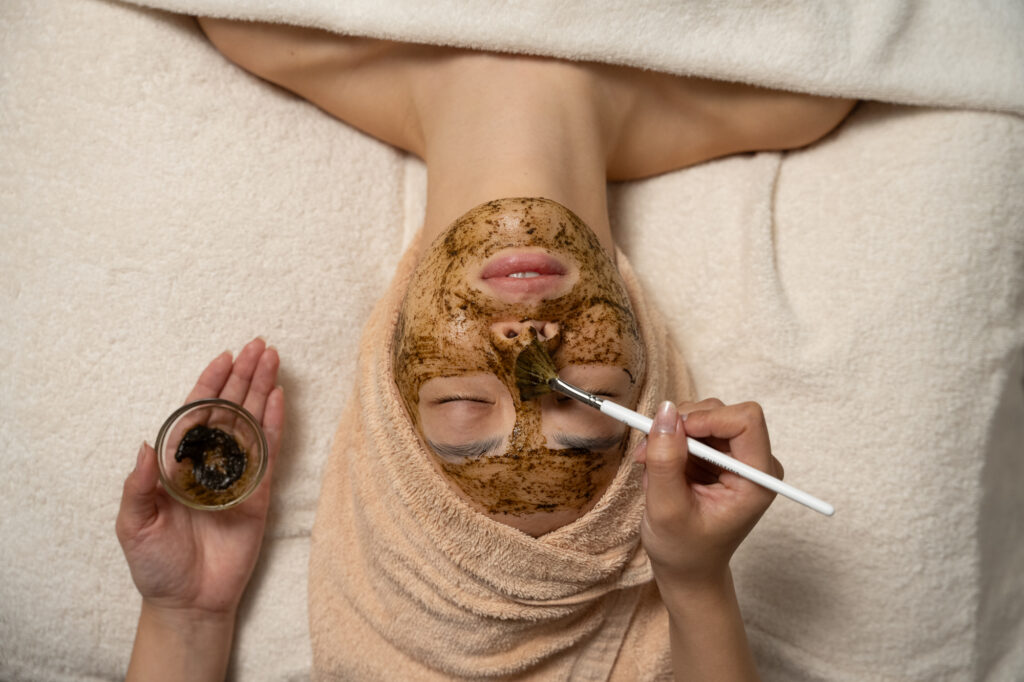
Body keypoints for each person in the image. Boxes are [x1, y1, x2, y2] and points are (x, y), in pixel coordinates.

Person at [116, 18, 854, 681]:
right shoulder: (808, 75)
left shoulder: (258, 21)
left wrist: (185, 618)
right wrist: (695, 583)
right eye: (586, 404)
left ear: (391, 366)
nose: (525, 345)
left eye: (465, 400)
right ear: (649, 372)